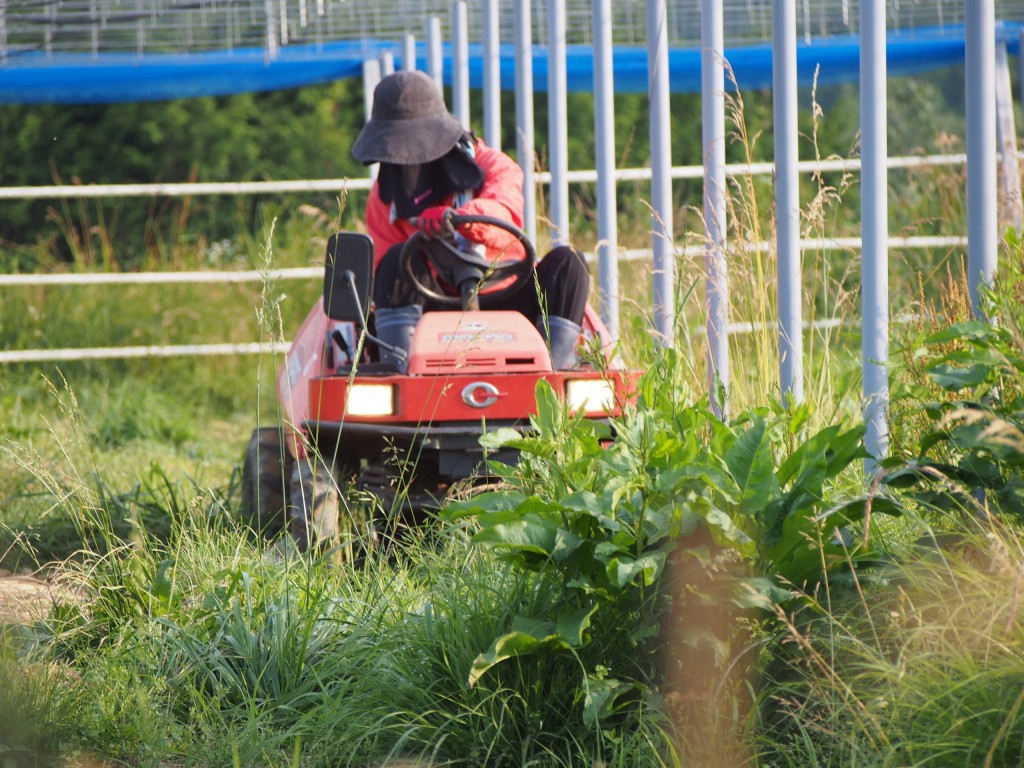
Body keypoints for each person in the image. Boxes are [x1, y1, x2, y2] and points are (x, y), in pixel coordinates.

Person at [350, 70, 590, 371]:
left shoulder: (494, 165)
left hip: (511, 297)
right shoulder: (384, 198)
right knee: (397, 259)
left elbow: (504, 211)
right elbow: (386, 275)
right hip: (432, 311)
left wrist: (458, 219)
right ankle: (401, 373)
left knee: (570, 263)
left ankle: (554, 373)